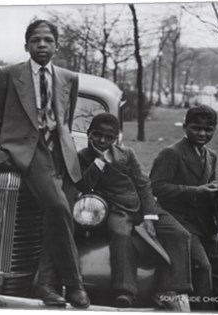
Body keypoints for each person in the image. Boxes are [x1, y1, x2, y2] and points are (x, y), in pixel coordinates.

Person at [0, 19, 89, 308]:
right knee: (57, 207)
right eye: (36, 40)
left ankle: (44, 283)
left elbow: (65, 120)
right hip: (28, 150)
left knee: (57, 218)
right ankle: (74, 284)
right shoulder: (8, 74)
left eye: (48, 40)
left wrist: (65, 147)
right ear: (26, 44)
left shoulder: (69, 77)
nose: (42, 45)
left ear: (56, 45)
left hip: (62, 155)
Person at [76, 113, 192, 310]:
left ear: (116, 138)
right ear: (89, 134)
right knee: (120, 235)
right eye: (97, 135)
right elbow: (84, 185)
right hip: (115, 208)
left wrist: (149, 216)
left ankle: (170, 289)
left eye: (109, 137)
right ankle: (125, 291)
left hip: (141, 206)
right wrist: (100, 161)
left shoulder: (127, 153)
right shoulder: (82, 157)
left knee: (180, 234)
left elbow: (143, 184)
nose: (103, 140)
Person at [149, 105, 218, 312]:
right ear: (185, 127)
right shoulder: (171, 153)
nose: (202, 134)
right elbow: (156, 187)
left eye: (208, 130)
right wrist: (196, 191)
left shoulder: (210, 155)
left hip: (205, 222)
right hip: (179, 221)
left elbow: (207, 181)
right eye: (196, 128)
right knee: (202, 268)